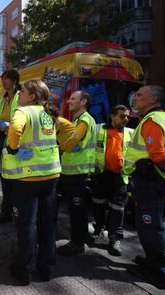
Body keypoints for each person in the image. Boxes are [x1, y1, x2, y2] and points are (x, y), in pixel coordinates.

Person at [1, 80, 61, 285]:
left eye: (23, 91)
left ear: (32, 96)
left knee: (26, 225)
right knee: (48, 225)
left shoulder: (23, 111)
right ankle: (46, 269)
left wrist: (13, 149)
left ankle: (24, 270)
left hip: (28, 178)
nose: (20, 94)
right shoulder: (50, 113)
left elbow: (15, 130)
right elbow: (69, 129)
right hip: (52, 176)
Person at [124, 85, 165, 290]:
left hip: (149, 180)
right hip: (153, 180)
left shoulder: (153, 120)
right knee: (154, 225)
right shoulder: (159, 118)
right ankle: (153, 262)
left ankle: (160, 273)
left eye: (139, 95)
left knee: (151, 226)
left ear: (153, 99)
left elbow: (157, 154)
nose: (134, 98)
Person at [57, 91, 97, 256]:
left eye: (73, 98)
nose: (69, 101)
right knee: (76, 210)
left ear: (83, 102)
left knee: (77, 211)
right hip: (73, 173)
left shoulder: (84, 121)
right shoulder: (78, 120)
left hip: (77, 174)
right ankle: (79, 239)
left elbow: (73, 143)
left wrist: (59, 142)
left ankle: (77, 244)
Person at [90, 105, 132, 256]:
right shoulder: (98, 129)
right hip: (101, 174)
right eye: (122, 116)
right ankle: (99, 230)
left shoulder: (130, 133)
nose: (126, 119)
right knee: (98, 204)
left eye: (128, 116)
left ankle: (114, 238)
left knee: (118, 208)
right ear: (112, 116)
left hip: (120, 176)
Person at [0, 69, 21, 225]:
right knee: (5, 178)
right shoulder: (3, 99)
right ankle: (6, 212)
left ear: (14, 80)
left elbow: (23, 118)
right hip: (4, 143)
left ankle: (16, 213)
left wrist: (9, 125)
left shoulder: (20, 96)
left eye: (6, 79)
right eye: (2, 79)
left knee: (17, 182)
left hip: (17, 143)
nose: (3, 82)